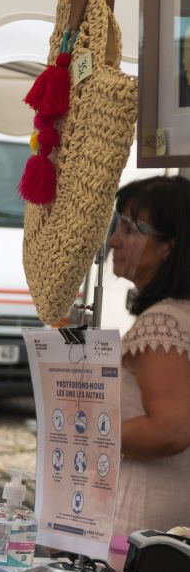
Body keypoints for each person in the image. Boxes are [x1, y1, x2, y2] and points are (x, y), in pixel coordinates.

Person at [107, 175, 190, 534]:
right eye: (117, 225)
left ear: (168, 246)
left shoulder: (162, 324)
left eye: (130, 228)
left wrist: (92, 433)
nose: (114, 241)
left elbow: (170, 430)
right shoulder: (176, 314)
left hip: (142, 521)